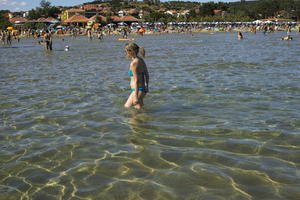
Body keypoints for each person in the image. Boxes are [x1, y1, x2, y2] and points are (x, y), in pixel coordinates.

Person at [124, 43, 149, 109]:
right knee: (139, 110)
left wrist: (135, 95)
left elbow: (136, 80)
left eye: (126, 52)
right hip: (141, 89)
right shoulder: (140, 60)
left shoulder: (134, 63)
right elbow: (146, 74)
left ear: (131, 51)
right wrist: (146, 86)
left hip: (137, 90)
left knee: (128, 107)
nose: (125, 54)